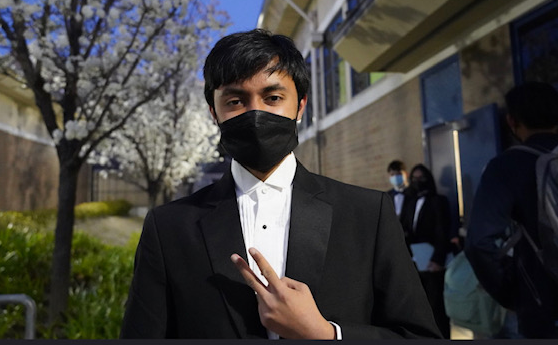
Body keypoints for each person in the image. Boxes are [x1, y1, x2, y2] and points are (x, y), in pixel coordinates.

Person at [119, 29, 441, 339]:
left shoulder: (368, 215)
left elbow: (420, 335)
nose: (255, 113)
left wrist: (327, 335)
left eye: (273, 97)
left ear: (300, 105)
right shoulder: (169, 228)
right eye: (235, 101)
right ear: (213, 113)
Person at [464, 81, 558, 339]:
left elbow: (479, 243)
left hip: (547, 311)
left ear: (511, 121)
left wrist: (512, 295)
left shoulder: (506, 166)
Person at [400, 164, 451, 338]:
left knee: (436, 307)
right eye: (414, 178)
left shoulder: (438, 201)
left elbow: (442, 232)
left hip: (432, 262)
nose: (417, 181)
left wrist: (438, 259)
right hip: (415, 260)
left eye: (421, 178)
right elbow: (405, 226)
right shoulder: (410, 201)